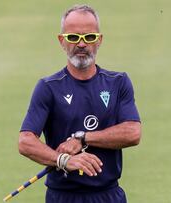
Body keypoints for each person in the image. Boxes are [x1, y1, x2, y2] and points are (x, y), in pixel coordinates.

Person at [18, 4, 141, 203]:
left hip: (107, 196)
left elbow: (133, 133)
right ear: (61, 41)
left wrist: (83, 138)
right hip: (63, 197)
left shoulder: (118, 82)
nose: (82, 44)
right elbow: (25, 141)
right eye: (73, 37)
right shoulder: (48, 87)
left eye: (89, 37)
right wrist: (64, 160)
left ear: (99, 40)